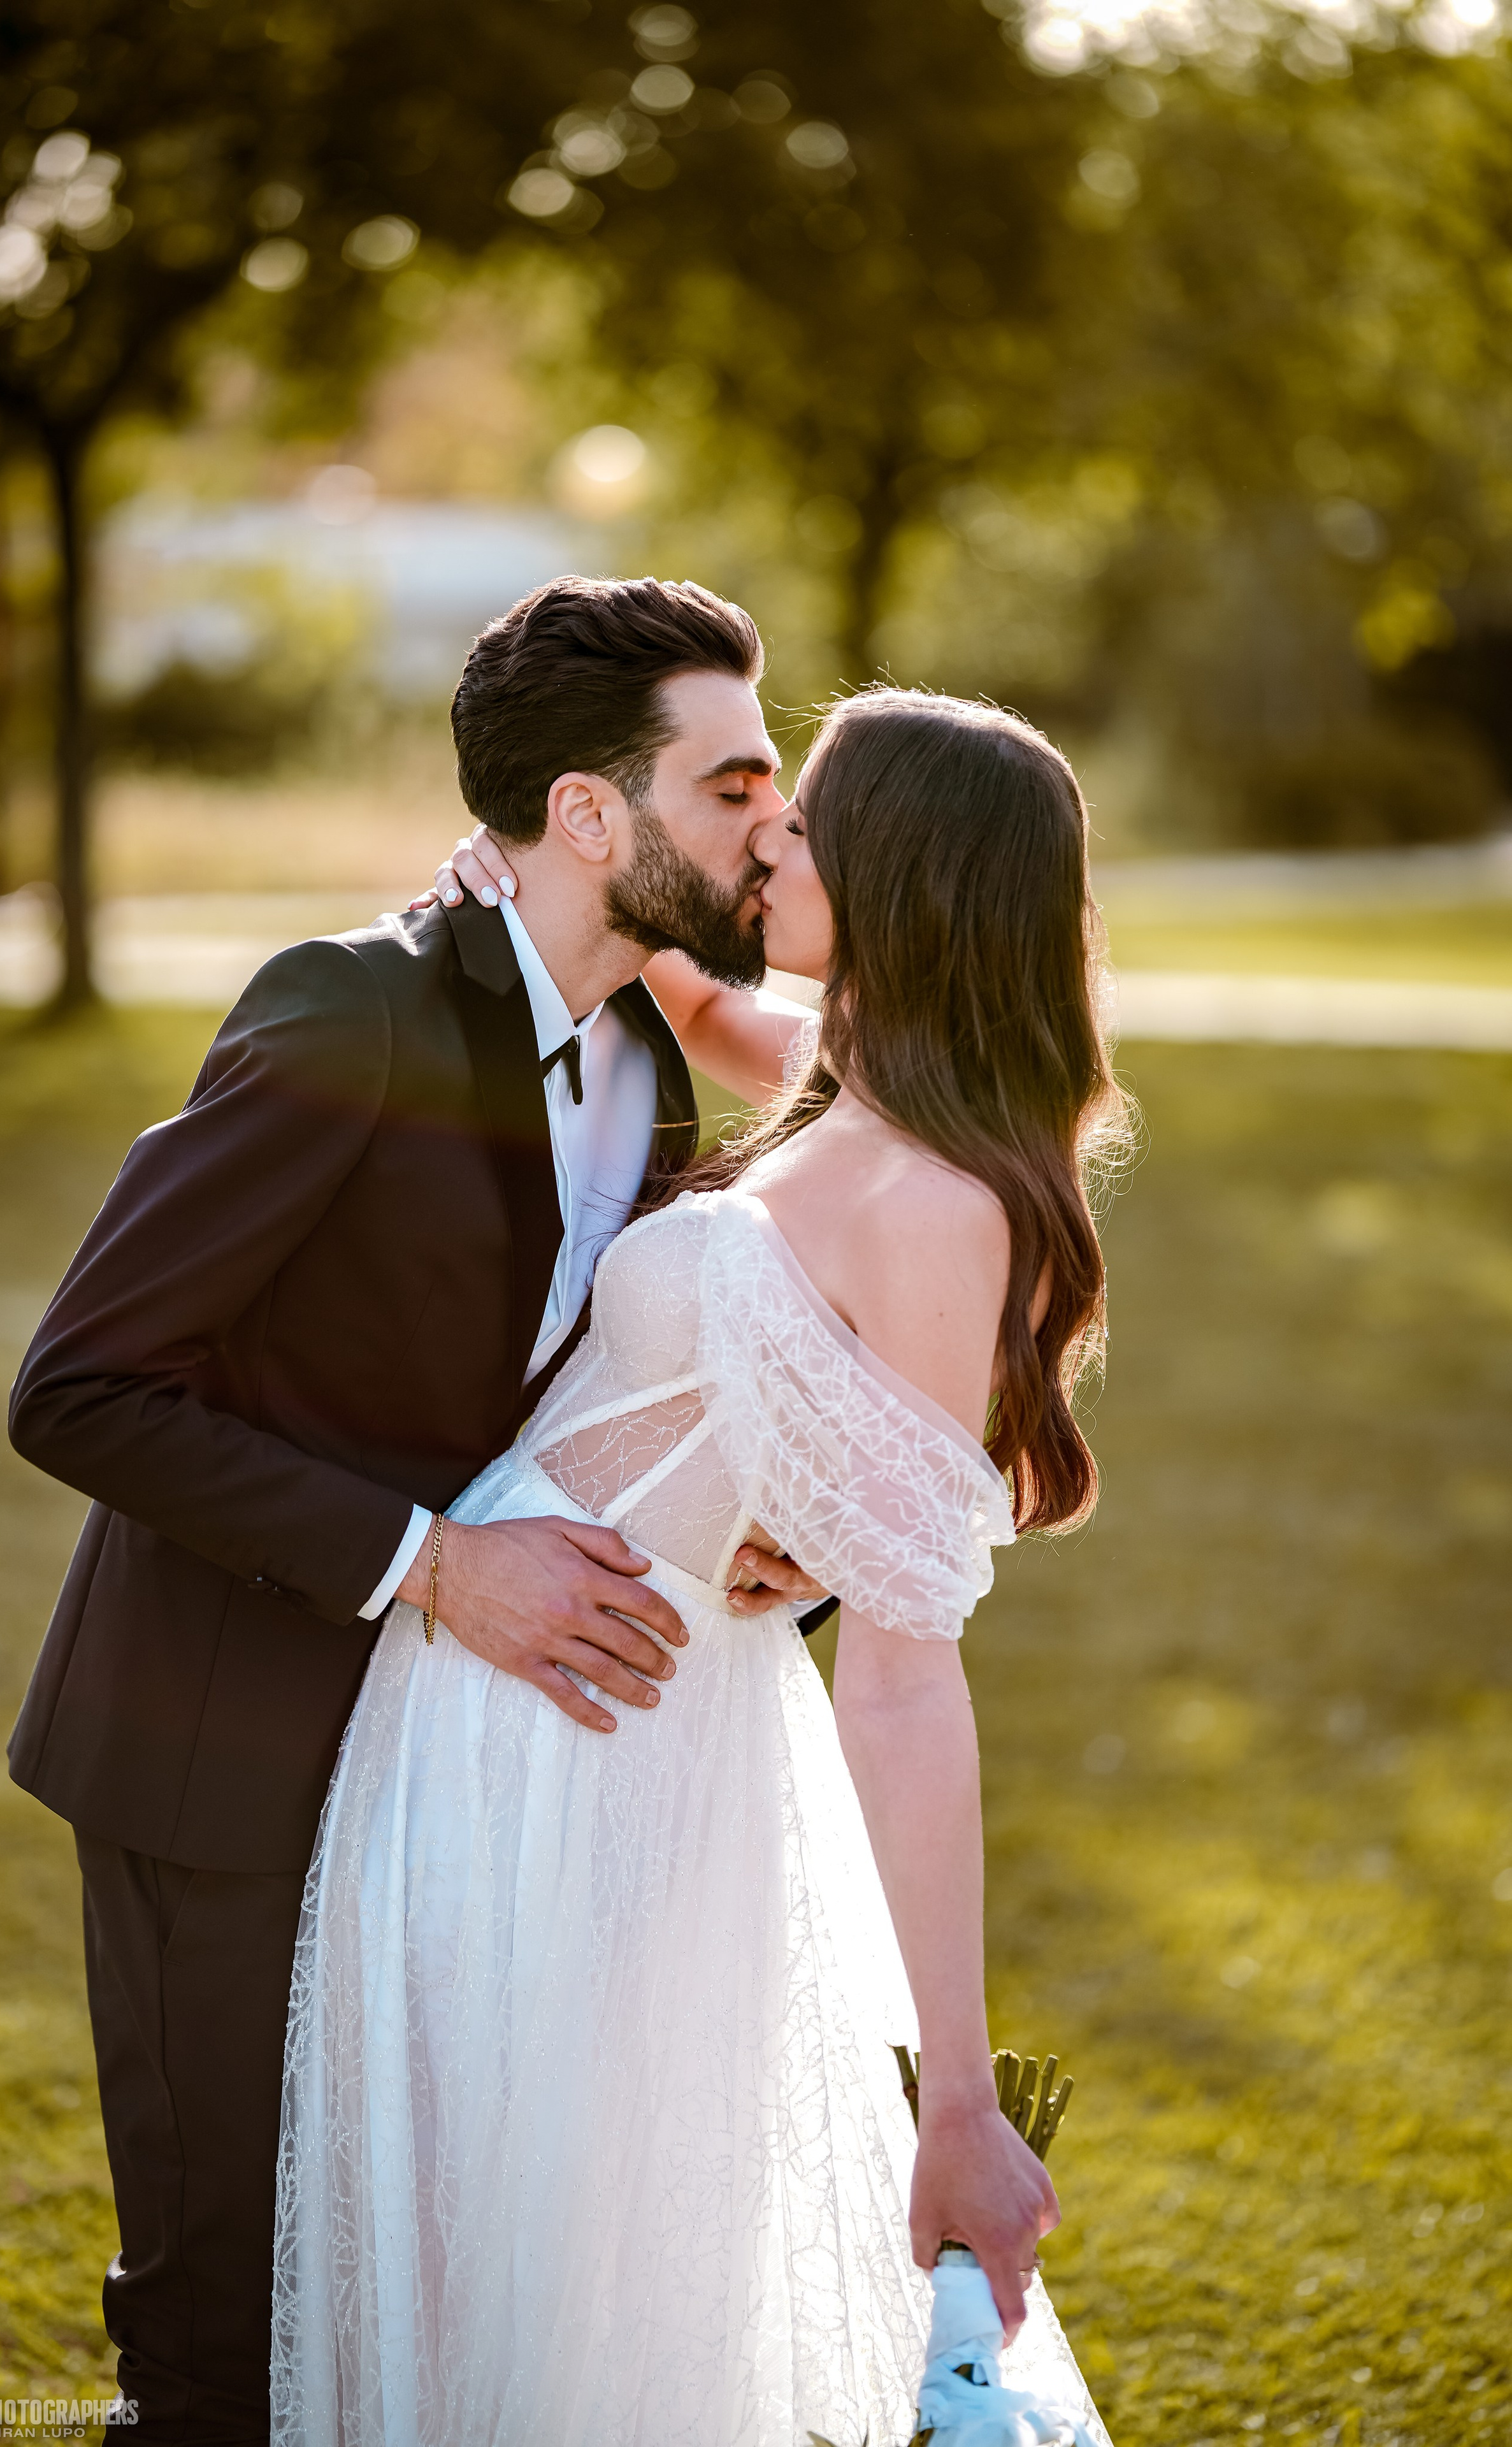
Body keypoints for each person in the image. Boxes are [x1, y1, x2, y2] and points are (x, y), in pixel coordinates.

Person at [5, 575, 833, 2446]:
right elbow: (82, 1389)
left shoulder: (657, 1082)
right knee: (226, 2336)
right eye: (735, 785)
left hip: (466, 1804)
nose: (775, 825)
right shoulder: (351, 1009)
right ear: (588, 814)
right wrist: (439, 1570)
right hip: (219, 1757)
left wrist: (755, 1548)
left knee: (409, 2302)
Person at [270, 686, 1128, 2446]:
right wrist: (575, 932)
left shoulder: (936, 1197)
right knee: (501, 2281)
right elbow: (735, 1026)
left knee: (582, 2299)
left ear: (904, 872)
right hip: (508, 1716)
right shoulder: (849, 1082)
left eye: (802, 820)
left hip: (608, 1751)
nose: (766, 839)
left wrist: (954, 2096)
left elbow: (904, 1669)